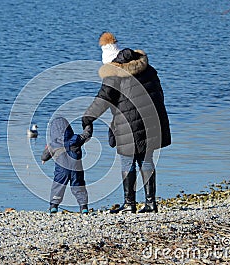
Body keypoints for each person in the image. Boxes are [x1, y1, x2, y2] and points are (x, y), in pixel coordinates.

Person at [82, 45, 171, 214]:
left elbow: (102, 99)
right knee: (146, 159)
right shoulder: (149, 69)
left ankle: (130, 204)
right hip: (152, 120)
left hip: (129, 123)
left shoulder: (113, 75)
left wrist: (87, 118)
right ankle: (151, 203)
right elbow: (160, 94)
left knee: (127, 161)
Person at [41, 117, 92, 214]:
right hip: (76, 169)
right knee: (78, 185)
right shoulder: (76, 139)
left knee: (58, 185)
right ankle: (83, 206)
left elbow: (44, 155)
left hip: (62, 170)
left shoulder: (53, 144)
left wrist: (44, 159)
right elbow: (87, 135)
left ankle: (54, 206)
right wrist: (88, 124)